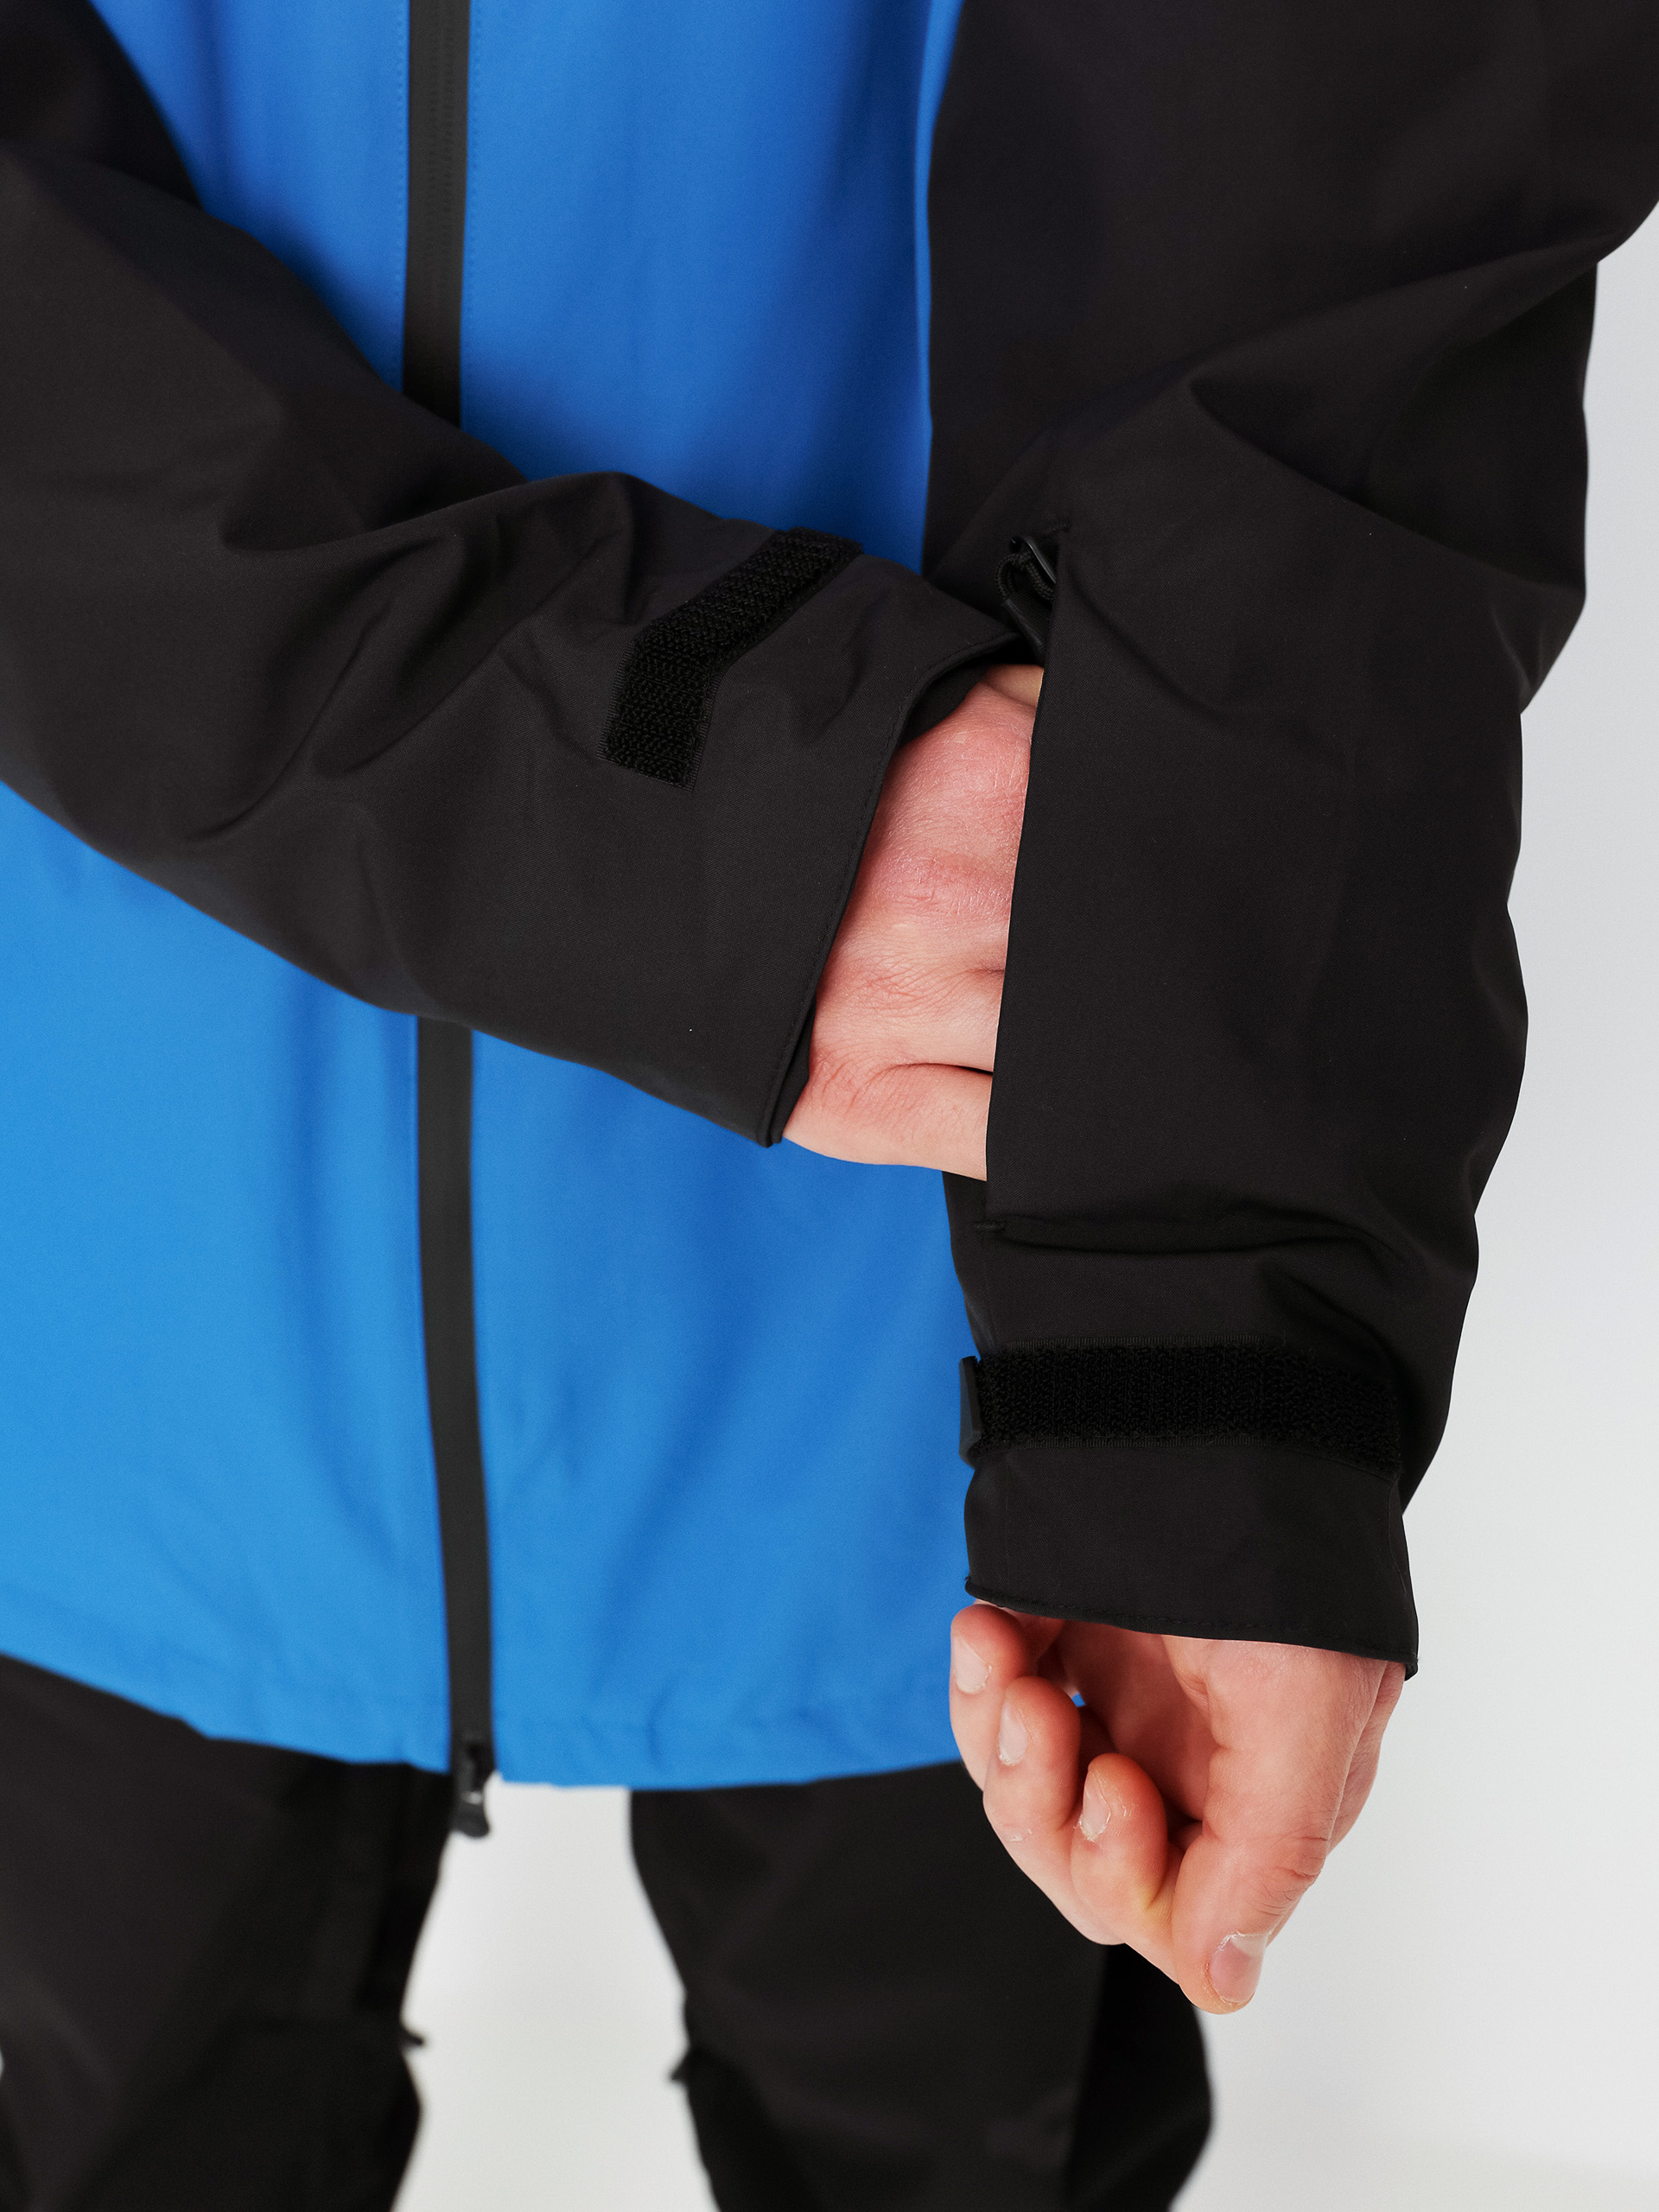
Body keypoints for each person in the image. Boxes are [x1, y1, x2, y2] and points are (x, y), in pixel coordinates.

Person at [1, 2, 1655, 2207]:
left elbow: (1339, 139)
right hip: (108, 1227)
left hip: (947, 1274)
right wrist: (674, 826)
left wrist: (1208, 1370)